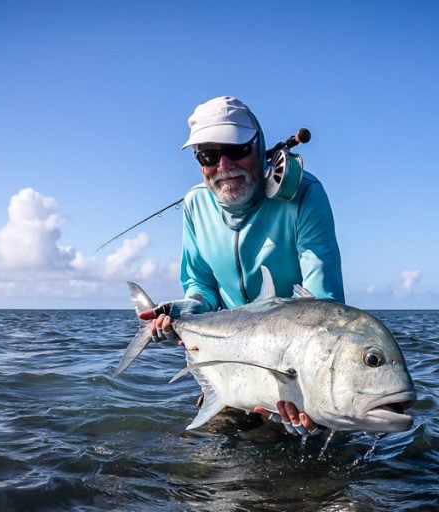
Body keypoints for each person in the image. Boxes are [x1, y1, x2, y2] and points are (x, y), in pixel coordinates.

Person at [140, 96, 344, 435]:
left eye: (235, 150)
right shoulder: (195, 205)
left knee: (319, 479)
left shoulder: (305, 196)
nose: (223, 165)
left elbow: (325, 304)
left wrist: (316, 388)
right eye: (208, 155)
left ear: (259, 144)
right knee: (209, 469)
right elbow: (202, 289)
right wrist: (177, 311)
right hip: (232, 367)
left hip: (296, 366)